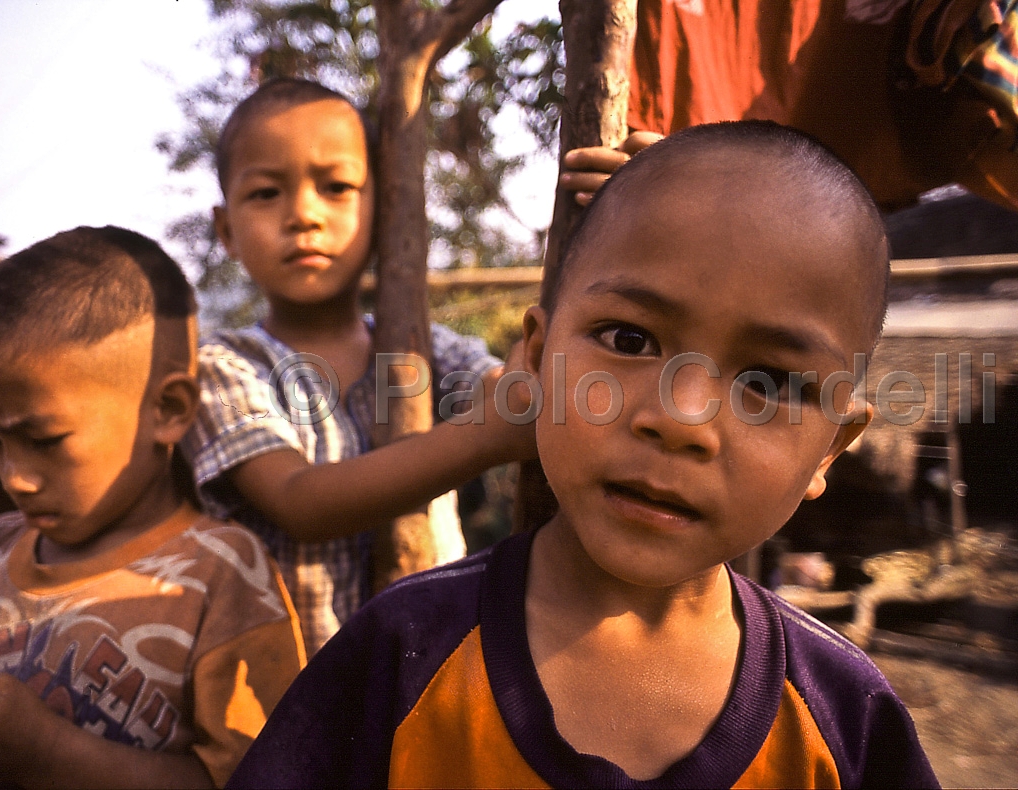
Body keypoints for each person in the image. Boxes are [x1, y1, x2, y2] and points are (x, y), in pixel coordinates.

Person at [225, 122, 940, 788]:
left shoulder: (844, 716)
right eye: (629, 340)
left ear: (831, 449)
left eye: (769, 382)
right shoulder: (403, 651)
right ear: (536, 360)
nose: (680, 418)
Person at [0, 227, 305, 788]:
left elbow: (253, 779)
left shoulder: (222, 574)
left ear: (168, 409)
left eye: (46, 440)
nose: (16, 479)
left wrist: (47, 753)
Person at [182, 78, 538, 657]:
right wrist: (485, 435)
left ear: (385, 213)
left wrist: (603, 206)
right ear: (226, 231)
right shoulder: (224, 368)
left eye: (337, 187)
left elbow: (520, 388)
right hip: (286, 701)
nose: (303, 215)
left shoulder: (422, 349)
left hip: (426, 681)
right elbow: (300, 503)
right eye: (267, 193)